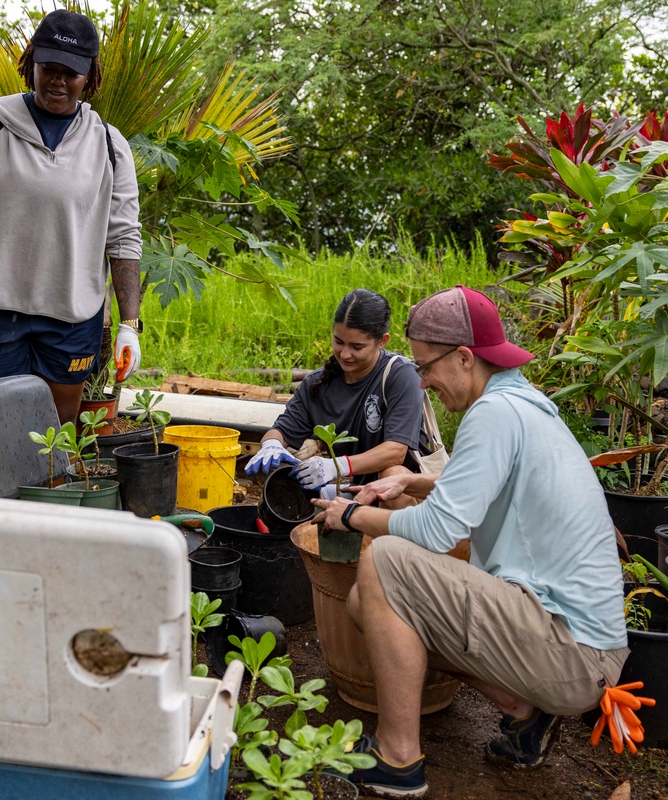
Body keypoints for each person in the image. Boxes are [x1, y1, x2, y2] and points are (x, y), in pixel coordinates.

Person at [312, 286, 628, 798]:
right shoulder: (519, 403)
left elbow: (440, 531)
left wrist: (352, 515)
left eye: (426, 367)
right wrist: (407, 483)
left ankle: (396, 762)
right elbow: (476, 488)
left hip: (574, 652)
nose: (423, 381)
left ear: (464, 356)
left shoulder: (494, 414)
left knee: (388, 561)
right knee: (361, 602)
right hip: (572, 644)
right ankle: (523, 710)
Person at [0, 9, 143, 426]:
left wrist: (129, 325)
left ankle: (45, 495)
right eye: (48, 67)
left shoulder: (108, 143)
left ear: (90, 75)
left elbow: (123, 237)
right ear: (30, 61)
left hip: (71, 314)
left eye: (70, 72)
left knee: (57, 430)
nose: (57, 80)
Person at [245, 289, 426, 507]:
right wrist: (271, 444)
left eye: (357, 346)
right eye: (339, 342)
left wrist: (335, 466)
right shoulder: (318, 384)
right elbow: (282, 430)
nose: (345, 354)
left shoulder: (400, 375)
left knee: (392, 475)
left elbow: (395, 452)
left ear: (382, 341)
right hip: (358, 490)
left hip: (411, 499)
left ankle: (403, 540)